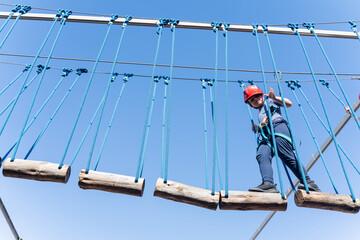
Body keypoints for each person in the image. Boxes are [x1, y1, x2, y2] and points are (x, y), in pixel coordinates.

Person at [243, 85, 320, 193]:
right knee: (262, 154)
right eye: (252, 99)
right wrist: (258, 127)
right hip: (267, 133)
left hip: (278, 127)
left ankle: (308, 182)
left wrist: (274, 98)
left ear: (262, 95)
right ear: (250, 104)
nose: (255, 99)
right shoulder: (259, 112)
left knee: (285, 154)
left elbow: (289, 103)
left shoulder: (270, 101)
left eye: (257, 96)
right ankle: (268, 184)